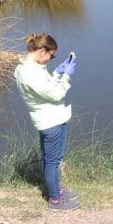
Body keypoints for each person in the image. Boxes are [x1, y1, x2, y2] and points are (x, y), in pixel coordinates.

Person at [14, 33, 80, 210]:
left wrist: (57, 74)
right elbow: (56, 94)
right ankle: (55, 200)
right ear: (42, 51)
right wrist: (66, 76)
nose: (51, 59)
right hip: (50, 122)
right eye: (51, 56)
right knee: (52, 162)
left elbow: (46, 88)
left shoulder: (26, 68)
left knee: (50, 160)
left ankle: (56, 190)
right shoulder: (30, 73)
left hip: (48, 119)